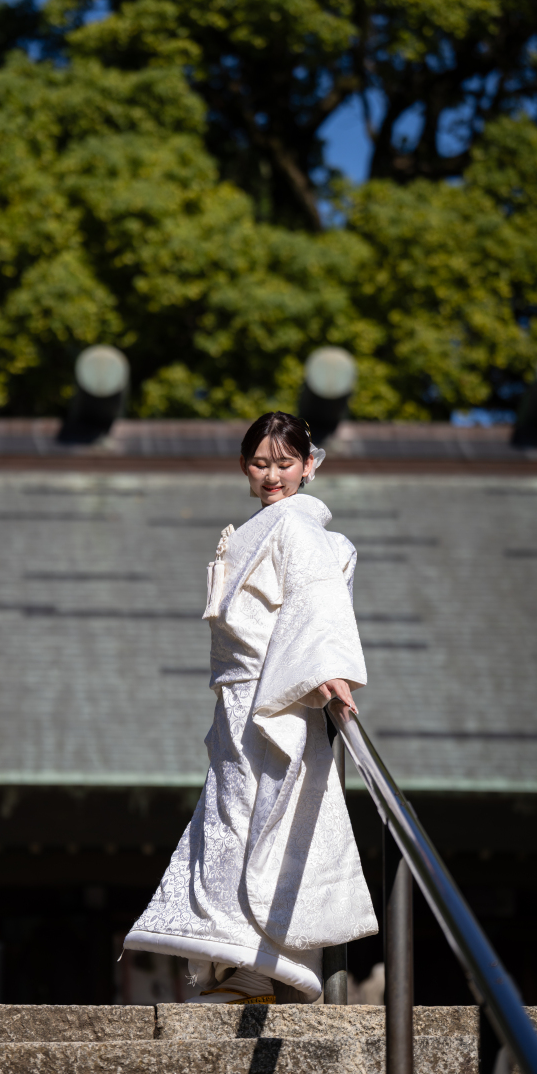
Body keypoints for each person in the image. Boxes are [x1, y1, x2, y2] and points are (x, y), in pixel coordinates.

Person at [124, 411, 378, 1004]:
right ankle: (244, 968)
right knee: (230, 823)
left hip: (278, 695)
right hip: (236, 699)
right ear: (245, 466)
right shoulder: (255, 528)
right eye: (261, 463)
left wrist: (328, 670)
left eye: (285, 463)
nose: (273, 476)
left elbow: (316, 599)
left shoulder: (299, 527)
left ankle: (260, 968)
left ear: (309, 466)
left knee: (261, 824)